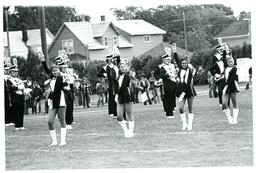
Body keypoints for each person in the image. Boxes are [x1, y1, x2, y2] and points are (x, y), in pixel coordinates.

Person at [39, 53, 68, 146]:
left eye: (56, 70)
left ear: (59, 71)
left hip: (60, 101)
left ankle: (63, 140)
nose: (55, 72)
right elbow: (46, 69)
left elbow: (56, 91)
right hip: (52, 102)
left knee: (62, 120)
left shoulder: (60, 78)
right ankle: (54, 141)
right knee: (50, 121)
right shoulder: (51, 78)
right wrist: (42, 60)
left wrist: (49, 95)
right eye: (53, 71)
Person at [115, 60, 135, 137]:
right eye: (121, 67)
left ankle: (130, 132)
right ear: (119, 68)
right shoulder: (118, 76)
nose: (122, 68)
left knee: (129, 114)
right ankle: (126, 131)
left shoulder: (128, 75)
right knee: (119, 116)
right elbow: (116, 86)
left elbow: (124, 86)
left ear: (126, 67)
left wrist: (117, 94)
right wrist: (116, 94)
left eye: (124, 66)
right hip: (120, 95)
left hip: (127, 94)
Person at [176, 58, 197, 130]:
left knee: (190, 108)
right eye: (182, 63)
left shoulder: (190, 71)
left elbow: (188, 83)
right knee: (181, 108)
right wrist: (174, 51)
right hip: (181, 90)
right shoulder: (180, 69)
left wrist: (183, 93)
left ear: (187, 64)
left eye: (185, 63)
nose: (184, 64)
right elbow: (177, 59)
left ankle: (190, 125)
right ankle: (184, 124)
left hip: (188, 90)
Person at [7, 65, 26, 130]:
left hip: (21, 96)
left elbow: (23, 86)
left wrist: (24, 89)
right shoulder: (9, 80)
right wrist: (18, 88)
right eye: (14, 71)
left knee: (21, 111)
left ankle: (21, 125)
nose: (16, 73)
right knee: (16, 111)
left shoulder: (19, 79)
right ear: (11, 72)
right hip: (15, 97)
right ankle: (17, 126)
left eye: (16, 71)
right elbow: (10, 88)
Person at [222, 56, 240, 124]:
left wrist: (226, 85)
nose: (231, 63)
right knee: (224, 103)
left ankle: (235, 119)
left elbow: (232, 78)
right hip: (226, 87)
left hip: (233, 86)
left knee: (234, 102)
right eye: (229, 62)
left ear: (234, 61)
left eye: (232, 61)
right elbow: (225, 78)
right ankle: (230, 118)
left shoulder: (235, 68)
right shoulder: (226, 68)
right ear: (227, 63)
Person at [160, 53, 177, 118]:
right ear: (164, 60)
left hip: (173, 83)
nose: (168, 61)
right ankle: (168, 113)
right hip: (167, 84)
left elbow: (175, 73)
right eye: (167, 60)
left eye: (169, 59)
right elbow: (162, 75)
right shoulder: (162, 67)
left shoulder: (172, 66)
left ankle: (171, 111)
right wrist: (168, 75)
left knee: (172, 98)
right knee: (167, 99)